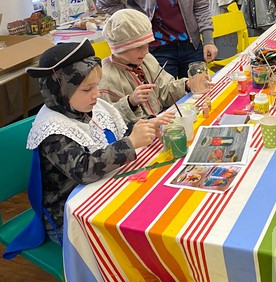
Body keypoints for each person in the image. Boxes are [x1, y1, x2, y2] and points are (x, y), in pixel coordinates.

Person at [6, 39, 162, 250]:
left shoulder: (85, 107)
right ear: (61, 90)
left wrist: (144, 126)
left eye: (96, 86)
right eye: (88, 89)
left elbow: (117, 133)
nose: (96, 93)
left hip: (98, 192)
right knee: (133, 238)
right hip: (68, 217)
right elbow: (84, 169)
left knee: (151, 204)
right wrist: (131, 143)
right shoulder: (52, 131)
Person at [99, 9, 210, 121]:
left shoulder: (145, 59)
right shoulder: (106, 78)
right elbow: (105, 120)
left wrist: (187, 84)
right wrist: (130, 102)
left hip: (157, 121)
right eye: (139, 47)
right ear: (120, 48)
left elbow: (164, 90)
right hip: (139, 130)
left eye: (147, 45)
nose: (146, 51)